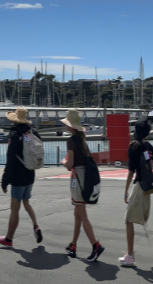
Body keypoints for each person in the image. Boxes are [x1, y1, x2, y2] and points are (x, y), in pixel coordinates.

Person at [0, 108, 44, 249]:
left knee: (14, 209)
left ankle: (9, 239)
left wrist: (5, 181)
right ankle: (35, 225)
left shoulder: (14, 134)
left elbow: (10, 160)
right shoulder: (33, 132)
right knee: (26, 201)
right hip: (30, 173)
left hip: (17, 176)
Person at [62, 109, 104, 260]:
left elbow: (70, 164)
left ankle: (95, 245)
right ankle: (73, 244)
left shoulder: (71, 141)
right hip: (84, 177)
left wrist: (64, 161)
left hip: (77, 178)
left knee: (82, 215)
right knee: (78, 214)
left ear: (70, 126)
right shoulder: (81, 141)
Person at [120, 116, 153, 268]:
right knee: (134, 218)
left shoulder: (133, 146)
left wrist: (125, 192)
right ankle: (130, 254)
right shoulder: (147, 145)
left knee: (128, 219)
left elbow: (131, 171)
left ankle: (130, 256)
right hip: (148, 188)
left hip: (139, 187)